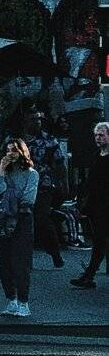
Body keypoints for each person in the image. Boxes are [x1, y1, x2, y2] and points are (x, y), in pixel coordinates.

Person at [0, 137, 38, 318]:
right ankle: (11, 299)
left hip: (22, 220)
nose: (11, 154)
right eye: (8, 150)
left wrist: (8, 195)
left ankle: (23, 302)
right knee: (4, 263)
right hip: (4, 220)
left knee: (20, 263)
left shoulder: (31, 174)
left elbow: (28, 199)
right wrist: (1, 171)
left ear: (22, 152)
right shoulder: (4, 172)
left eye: (14, 150)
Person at [70, 121, 109, 288]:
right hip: (98, 203)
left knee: (100, 240)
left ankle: (89, 275)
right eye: (96, 135)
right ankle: (89, 275)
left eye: (101, 135)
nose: (98, 138)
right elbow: (91, 181)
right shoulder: (96, 155)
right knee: (100, 239)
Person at [25, 112, 66, 267]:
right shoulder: (15, 139)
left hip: (43, 184)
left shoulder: (48, 140)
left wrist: (62, 182)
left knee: (42, 217)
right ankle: (23, 258)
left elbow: (60, 162)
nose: (37, 122)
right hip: (20, 185)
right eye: (33, 119)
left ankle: (54, 251)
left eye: (39, 119)